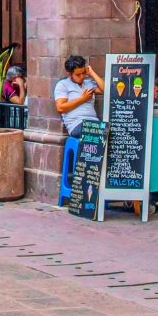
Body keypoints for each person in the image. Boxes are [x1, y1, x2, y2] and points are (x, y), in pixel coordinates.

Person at [53, 55, 100, 204]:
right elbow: (60, 107)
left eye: (83, 73)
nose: (81, 77)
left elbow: (106, 89)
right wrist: (82, 99)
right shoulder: (63, 85)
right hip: (77, 125)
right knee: (98, 133)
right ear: (70, 74)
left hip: (94, 123)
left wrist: (91, 73)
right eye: (78, 74)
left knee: (106, 132)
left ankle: (98, 181)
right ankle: (84, 184)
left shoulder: (88, 82)